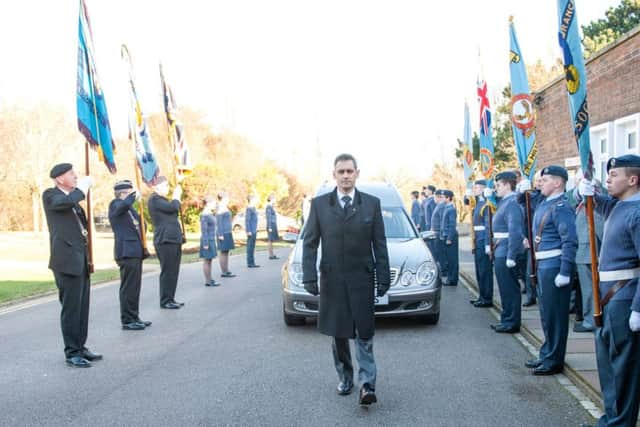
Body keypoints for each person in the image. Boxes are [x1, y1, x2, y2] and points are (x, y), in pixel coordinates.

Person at [302, 153, 390, 406]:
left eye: (349, 171)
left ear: (357, 173)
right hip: (333, 280)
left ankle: (367, 385)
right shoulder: (319, 205)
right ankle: (346, 377)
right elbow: (309, 243)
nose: (345, 176)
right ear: (334, 175)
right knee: (338, 334)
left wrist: (383, 277)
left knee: (364, 333)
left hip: (362, 279)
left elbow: (380, 244)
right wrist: (309, 276)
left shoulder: (371, 204)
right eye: (341, 172)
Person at [578, 155, 640, 427]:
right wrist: (585, 189)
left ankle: (621, 422)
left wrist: (638, 307)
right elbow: (598, 205)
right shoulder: (618, 206)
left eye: (614, 175)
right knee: (608, 367)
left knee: (624, 368)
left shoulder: (637, 212)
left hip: (624, 296)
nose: (608, 180)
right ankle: (612, 418)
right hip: (607, 295)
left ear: (633, 179)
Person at [42, 163, 102, 367]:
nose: (76, 176)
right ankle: (71, 352)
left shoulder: (73, 202)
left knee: (82, 308)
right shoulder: (50, 195)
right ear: (59, 179)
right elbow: (63, 203)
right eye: (71, 174)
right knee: (71, 308)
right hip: (65, 261)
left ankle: (80, 346)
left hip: (80, 260)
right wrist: (81, 189)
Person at [523, 166, 577, 376]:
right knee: (546, 314)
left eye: (544, 180)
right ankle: (547, 353)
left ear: (558, 183)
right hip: (544, 264)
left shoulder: (561, 206)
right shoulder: (546, 203)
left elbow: (570, 241)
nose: (540, 183)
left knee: (555, 316)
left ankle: (554, 359)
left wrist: (565, 271)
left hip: (554, 266)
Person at [108, 180, 152, 330]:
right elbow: (123, 206)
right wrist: (133, 197)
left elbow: (141, 225)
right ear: (122, 194)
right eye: (129, 193)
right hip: (126, 251)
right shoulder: (115, 205)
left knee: (135, 287)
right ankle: (127, 319)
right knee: (128, 287)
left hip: (135, 250)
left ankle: (134, 316)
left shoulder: (129, 209)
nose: (132, 196)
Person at [486, 171, 524, 333]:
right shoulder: (505, 202)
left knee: (510, 288)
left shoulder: (512, 203)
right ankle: (506, 318)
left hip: (506, 248)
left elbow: (515, 231)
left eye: (499, 185)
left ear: (508, 185)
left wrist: (511, 255)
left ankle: (512, 321)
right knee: (504, 287)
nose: (496, 189)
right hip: (500, 247)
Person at [573, 173, 604, 333]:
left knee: (591, 290)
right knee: (586, 290)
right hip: (583, 253)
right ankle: (588, 318)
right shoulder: (582, 206)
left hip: (590, 254)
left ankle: (590, 321)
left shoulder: (593, 207)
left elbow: (601, 231)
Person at [148, 176, 184, 309]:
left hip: (173, 239)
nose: (167, 188)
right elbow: (173, 207)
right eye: (165, 186)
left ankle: (170, 298)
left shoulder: (163, 200)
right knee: (167, 271)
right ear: (156, 187)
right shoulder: (154, 200)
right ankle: (165, 300)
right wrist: (176, 196)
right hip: (164, 240)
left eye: (168, 186)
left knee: (174, 271)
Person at [466, 180, 494, 307]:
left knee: (485, 271)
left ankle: (487, 298)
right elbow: (467, 202)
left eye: (477, 187)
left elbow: (488, 225)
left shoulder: (487, 205)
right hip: (477, 240)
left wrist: (488, 243)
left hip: (483, 240)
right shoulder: (478, 204)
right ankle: (482, 296)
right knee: (479, 271)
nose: (474, 190)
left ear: (483, 189)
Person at [200, 196, 220, 287]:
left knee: (209, 260)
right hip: (207, 240)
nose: (215, 205)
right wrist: (205, 243)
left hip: (211, 239)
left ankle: (210, 279)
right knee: (207, 260)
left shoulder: (210, 213)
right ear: (208, 204)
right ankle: (208, 281)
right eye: (214, 203)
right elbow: (204, 230)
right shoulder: (204, 215)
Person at [441, 190, 459, 286]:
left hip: (450, 237)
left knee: (452, 260)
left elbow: (452, 225)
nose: (442, 198)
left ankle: (452, 279)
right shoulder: (447, 207)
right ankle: (450, 278)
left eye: (444, 197)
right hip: (446, 235)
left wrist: (449, 238)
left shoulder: (451, 209)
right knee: (449, 259)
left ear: (448, 198)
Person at [216, 192, 236, 278]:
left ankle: (226, 270)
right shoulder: (220, 207)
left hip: (227, 232)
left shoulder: (224, 207)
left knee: (226, 252)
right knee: (223, 252)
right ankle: (224, 272)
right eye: (227, 198)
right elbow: (218, 221)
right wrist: (220, 234)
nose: (228, 199)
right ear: (223, 198)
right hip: (223, 233)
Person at [430, 190, 447, 282]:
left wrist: (441, 233)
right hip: (435, 232)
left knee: (440, 253)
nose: (434, 199)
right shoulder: (439, 206)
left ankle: (443, 270)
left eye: (435, 197)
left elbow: (442, 221)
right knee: (437, 252)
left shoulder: (441, 206)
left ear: (439, 197)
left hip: (438, 232)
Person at [245, 194, 260, 268]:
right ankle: (250, 263)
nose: (256, 201)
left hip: (254, 229)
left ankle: (252, 262)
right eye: (255, 199)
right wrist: (248, 230)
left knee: (252, 247)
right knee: (250, 247)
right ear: (251, 200)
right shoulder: (249, 208)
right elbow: (247, 220)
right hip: (251, 230)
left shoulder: (253, 208)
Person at [266, 193, 280, 260]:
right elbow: (268, 217)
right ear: (272, 199)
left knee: (271, 241)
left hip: (272, 224)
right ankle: (270, 255)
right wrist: (269, 227)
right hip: (270, 225)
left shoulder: (271, 206)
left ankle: (272, 254)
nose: (275, 200)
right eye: (275, 199)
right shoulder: (268, 207)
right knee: (270, 240)